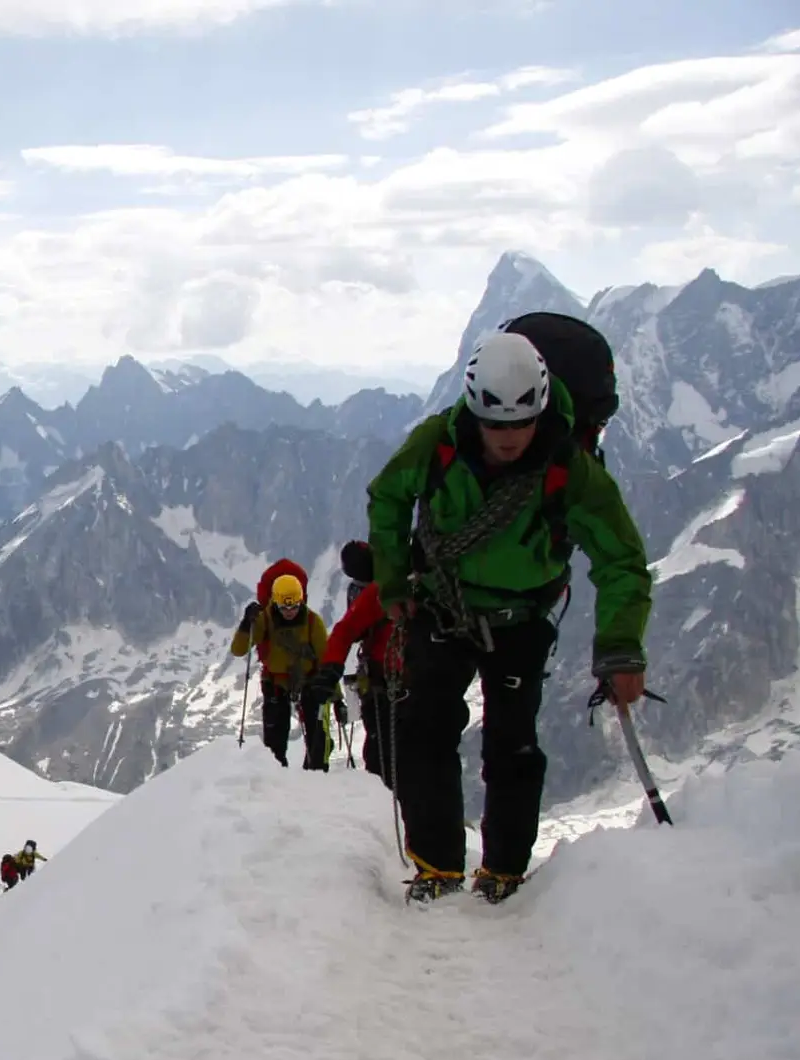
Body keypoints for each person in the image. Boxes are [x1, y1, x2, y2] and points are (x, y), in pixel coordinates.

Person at [368, 329, 650, 904]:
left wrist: (621, 647)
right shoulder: (439, 442)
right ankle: (438, 865)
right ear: (474, 412)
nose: (510, 438)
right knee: (425, 729)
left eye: (521, 424)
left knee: (512, 742)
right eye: (497, 426)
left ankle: (504, 869)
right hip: (445, 607)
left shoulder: (568, 467)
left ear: (541, 409)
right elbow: (389, 496)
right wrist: (393, 581)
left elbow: (622, 558)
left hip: (520, 618)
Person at [313, 540, 397, 787]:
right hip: (399, 680)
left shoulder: (376, 591)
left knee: (381, 757)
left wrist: (330, 668)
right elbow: (347, 630)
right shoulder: (390, 585)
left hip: (381, 680)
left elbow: (347, 630)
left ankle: (384, 806)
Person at [231, 564, 331, 769]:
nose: (289, 612)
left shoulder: (313, 623)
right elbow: (239, 649)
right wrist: (246, 624)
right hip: (276, 684)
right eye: (284, 607)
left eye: (294, 606)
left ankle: (315, 776)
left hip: (308, 682)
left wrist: (334, 697)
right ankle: (277, 782)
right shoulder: (264, 620)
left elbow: (327, 661)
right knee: (274, 746)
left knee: (318, 741)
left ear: (301, 601)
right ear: (274, 602)